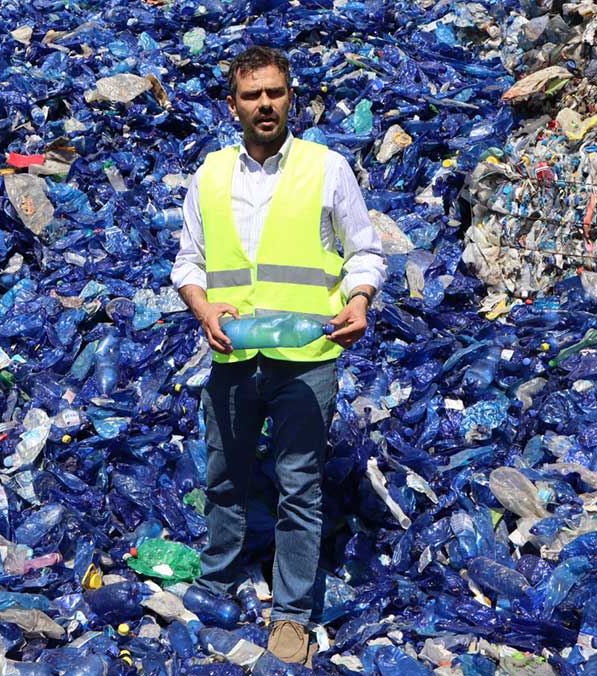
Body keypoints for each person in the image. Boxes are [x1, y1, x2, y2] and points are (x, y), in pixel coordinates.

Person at [170, 45, 386, 664]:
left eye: (275, 92)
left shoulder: (327, 168)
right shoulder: (209, 174)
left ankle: (291, 614)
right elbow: (190, 262)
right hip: (234, 359)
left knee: (298, 486)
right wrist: (203, 309)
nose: (265, 104)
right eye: (251, 95)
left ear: (291, 96)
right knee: (224, 477)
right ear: (232, 105)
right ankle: (216, 580)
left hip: (308, 359)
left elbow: (365, 251)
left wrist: (360, 299)